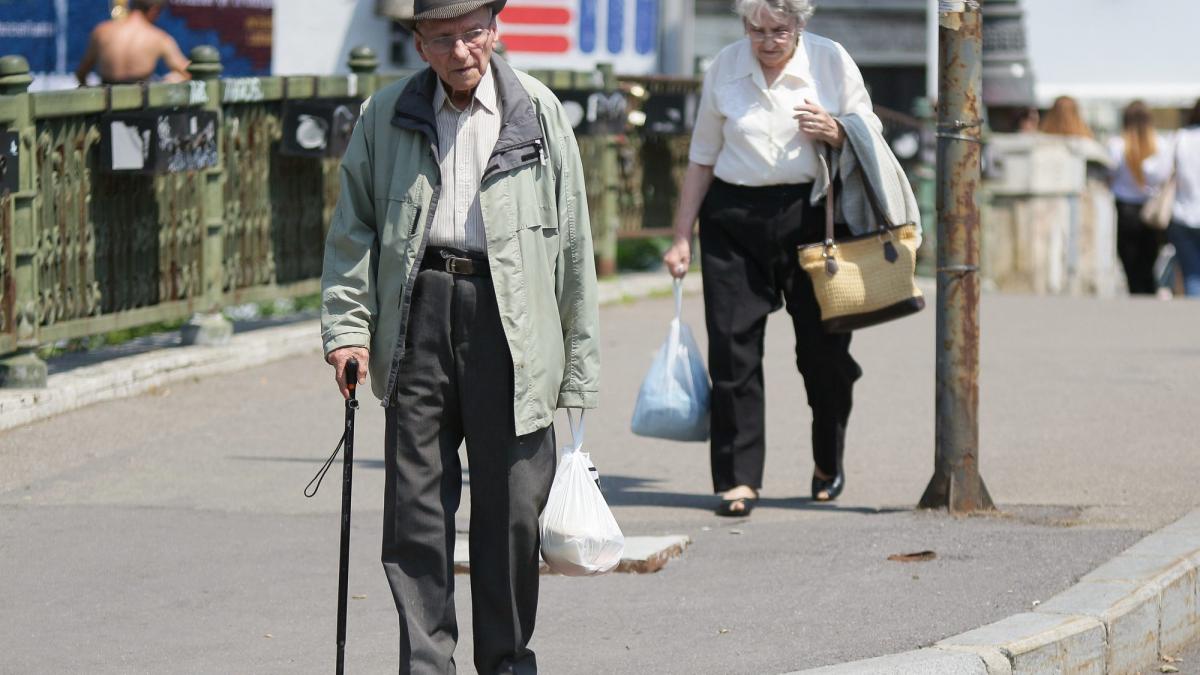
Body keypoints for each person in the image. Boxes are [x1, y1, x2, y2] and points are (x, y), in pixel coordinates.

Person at [320, 0, 599, 669]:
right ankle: (426, 664)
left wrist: (578, 368)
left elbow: (572, 243)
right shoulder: (384, 115)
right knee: (415, 511)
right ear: (419, 44)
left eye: (473, 33)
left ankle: (505, 661)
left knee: (511, 512)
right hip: (419, 314)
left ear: (494, 32)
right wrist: (348, 329)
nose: (461, 50)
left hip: (512, 321)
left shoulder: (536, 111)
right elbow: (353, 230)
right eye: (442, 38)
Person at [662, 0, 885, 516]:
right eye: (755, 29)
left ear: (800, 25)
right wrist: (680, 237)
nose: (765, 41)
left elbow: (871, 133)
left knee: (823, 355)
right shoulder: (725, 66)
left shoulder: (830, 61)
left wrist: (834, 130)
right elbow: (701, 158)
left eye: (778, 31)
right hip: (733, 217)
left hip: (814, 216)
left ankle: (828, 459)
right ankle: (738, 480)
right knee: (733, 351)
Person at [1108, 101, 1170, 295]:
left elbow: (1110, 174)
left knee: (1130, 260)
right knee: (1149, 258)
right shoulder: (1160, 143)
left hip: (1125, 208)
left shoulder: (1117, 144)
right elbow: (1164, 176)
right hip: (1151, 208)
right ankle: (1148, 292)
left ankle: (1137, 292)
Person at [75, 0, 190, 86]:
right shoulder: (158, 38)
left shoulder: (101, 31)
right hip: (139, 111)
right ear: (154, 10)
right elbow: (189, 72)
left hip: (106, 108)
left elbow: (81, 73)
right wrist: (176, 78)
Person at [1167, 99, 1200, 297]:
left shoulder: (1181, 138)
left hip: (1184, 213)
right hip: (1185, 214)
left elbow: (1156, 171)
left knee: (1192, 275)